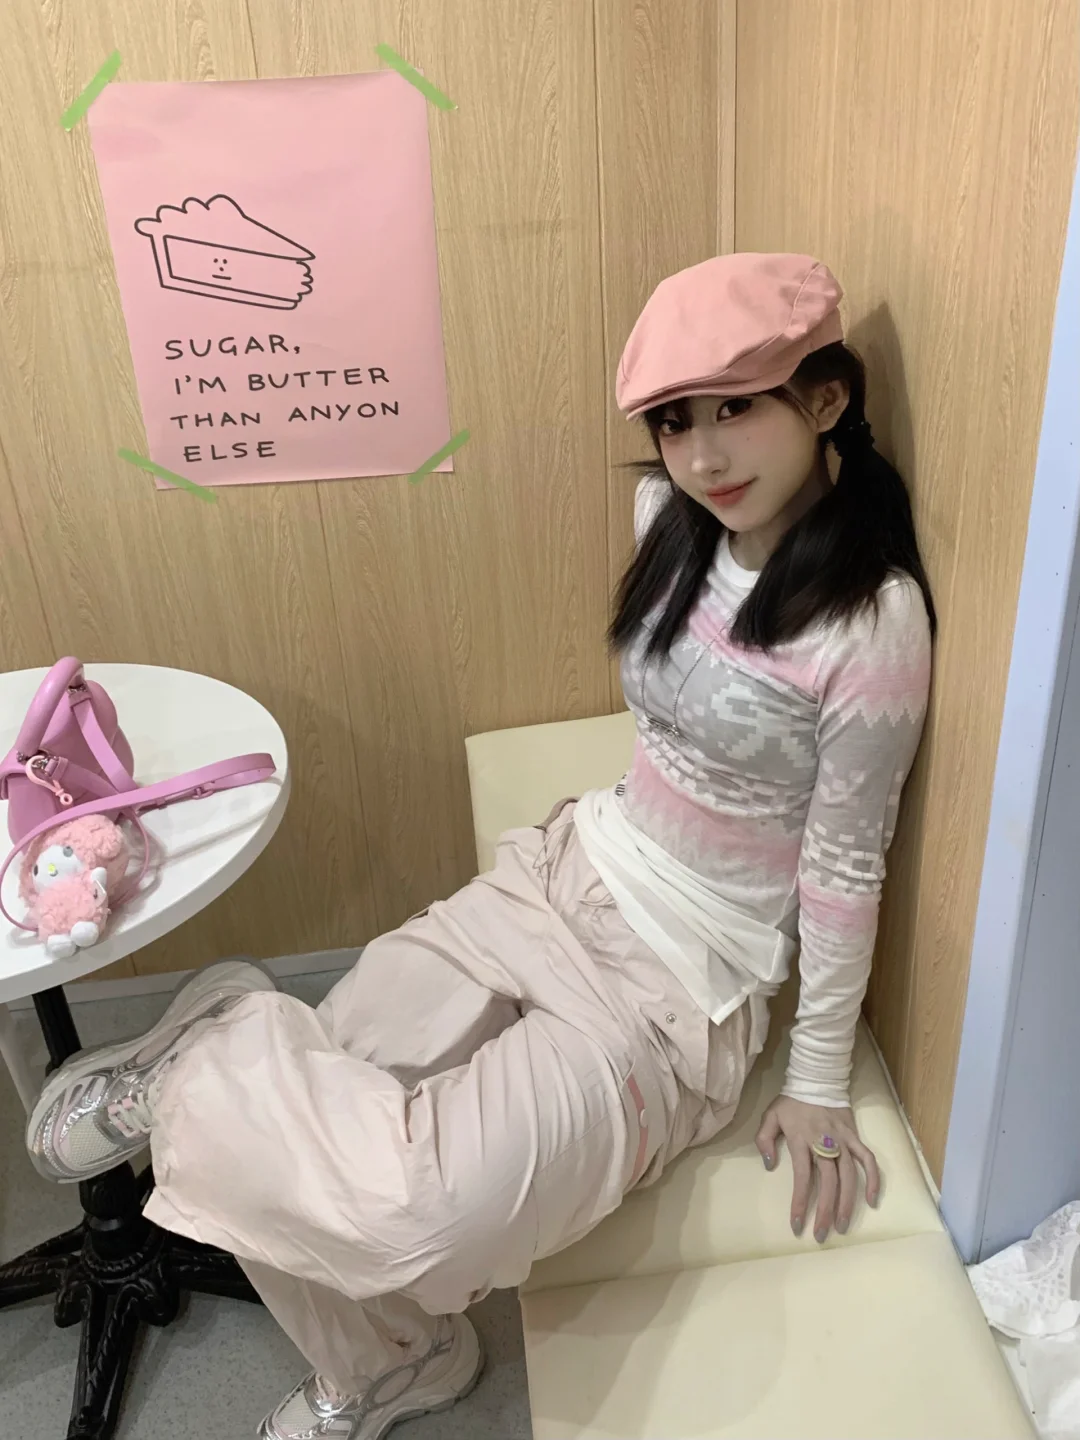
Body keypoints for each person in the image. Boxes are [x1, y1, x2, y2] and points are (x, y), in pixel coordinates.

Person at [26, 252, 935, 1440]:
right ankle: (392, 1364)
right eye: (675, 422)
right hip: (561, 875)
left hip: (674, 995)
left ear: (823, 399)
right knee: (312, 1102)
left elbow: (848, 865)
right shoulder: (671, 522)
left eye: (736, 409)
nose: (704, 456)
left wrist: (815, 1080)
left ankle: (202, 1059)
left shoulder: (872, 621)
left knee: (415, 1213)